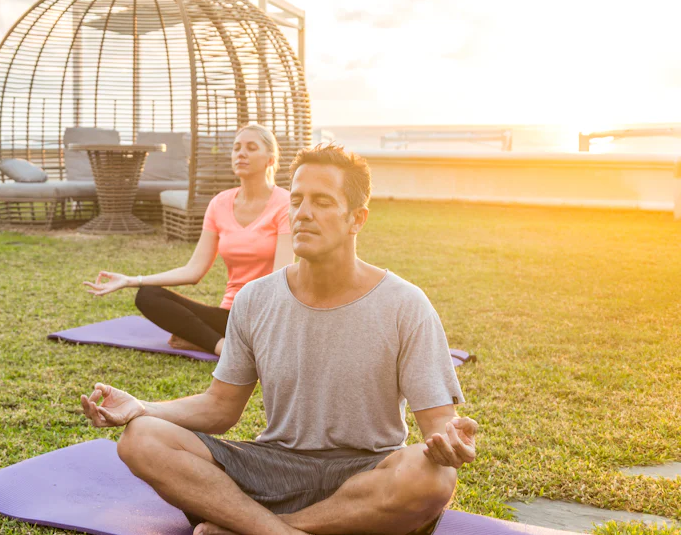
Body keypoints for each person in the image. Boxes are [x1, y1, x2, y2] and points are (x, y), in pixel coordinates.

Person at [79, 144, 477, 535]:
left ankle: (249, 528)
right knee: (142, 438)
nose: (303, 214)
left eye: (322, 201)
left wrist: (450, 441)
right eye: (297, 200)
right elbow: (220, 407)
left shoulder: (405, 303)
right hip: (273, 467)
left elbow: (436, 422)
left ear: (357, 218)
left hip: (366, 473)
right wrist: (142, 407)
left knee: (433, 478)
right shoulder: (255, 298)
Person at [85, 124, 293, 356]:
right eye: (236, 148)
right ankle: (223, 347)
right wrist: (131, 280)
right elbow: (194, 270)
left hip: (267, 316)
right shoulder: (219, 204)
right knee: (148, 295)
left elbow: (280, 282)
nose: (241, 153)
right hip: (230, 316)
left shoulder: (286, 205)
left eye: (251, 148)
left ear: (271, 160)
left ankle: (209, 341)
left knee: (264, 324)